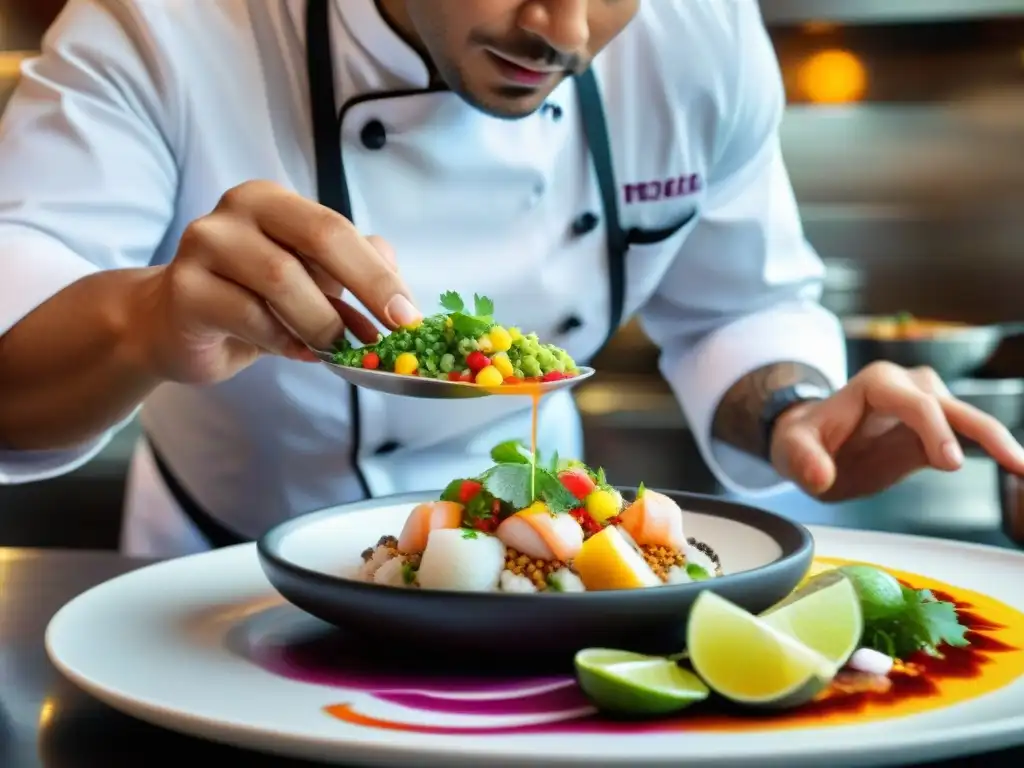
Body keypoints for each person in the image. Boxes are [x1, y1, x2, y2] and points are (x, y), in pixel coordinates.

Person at [0, 0, 1021, 558]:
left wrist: (794, 412)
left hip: (541, 573)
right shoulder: (160, 29)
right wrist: (144, 322)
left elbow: (739, 305)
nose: (565, 30)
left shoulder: (698, 33)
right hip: (216, 589)